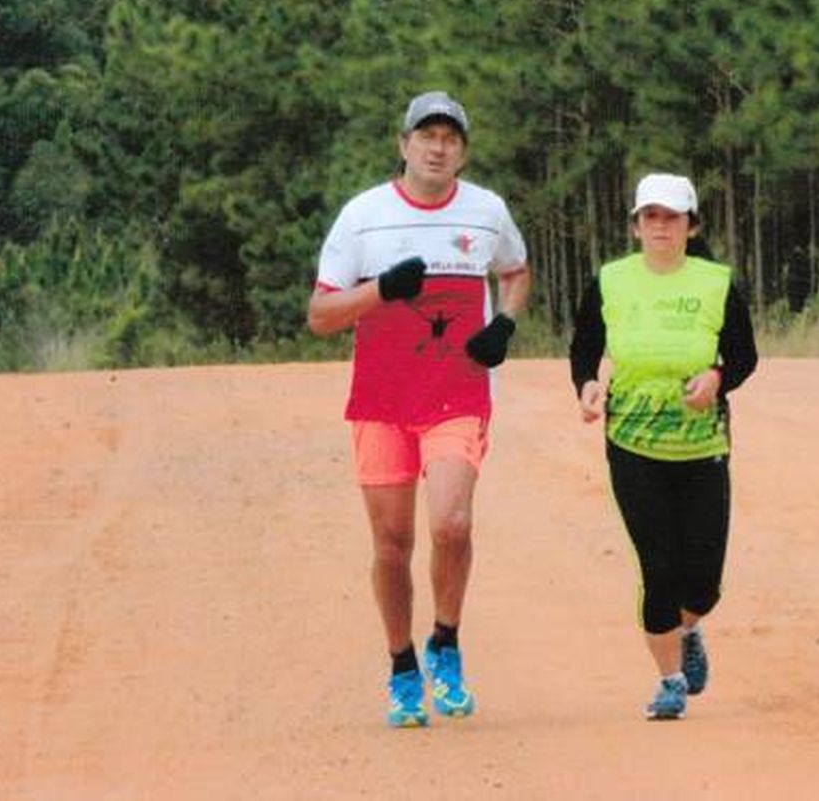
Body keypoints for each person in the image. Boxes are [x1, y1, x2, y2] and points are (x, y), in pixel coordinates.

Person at [307, 91, 531, 728]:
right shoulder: (362, 217)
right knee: (391, 544)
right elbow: (320, 316)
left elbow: (515, 271)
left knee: (451, 524)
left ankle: (447, 643)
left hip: (458, 393)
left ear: (462, 152)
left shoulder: (486, 211)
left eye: (451, 139)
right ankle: (403, 665)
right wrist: (380, 290)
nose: (438, 148)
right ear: (403, 144)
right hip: (381, 401)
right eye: (426, 136)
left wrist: (506, 324)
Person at [568, 172, 757, 720]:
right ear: (635, 225)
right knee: (659, 565)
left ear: (690, 225)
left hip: (701, 447)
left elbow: (744, 355)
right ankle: (669, 680)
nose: (660, 226)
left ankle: (687, 629)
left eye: (671, 217)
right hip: (632, 443)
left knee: (703, 582)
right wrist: (587, 385)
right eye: (649, 216)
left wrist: (718, 378)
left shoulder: (716, 282)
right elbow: (585, 346)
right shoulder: (610, 281)